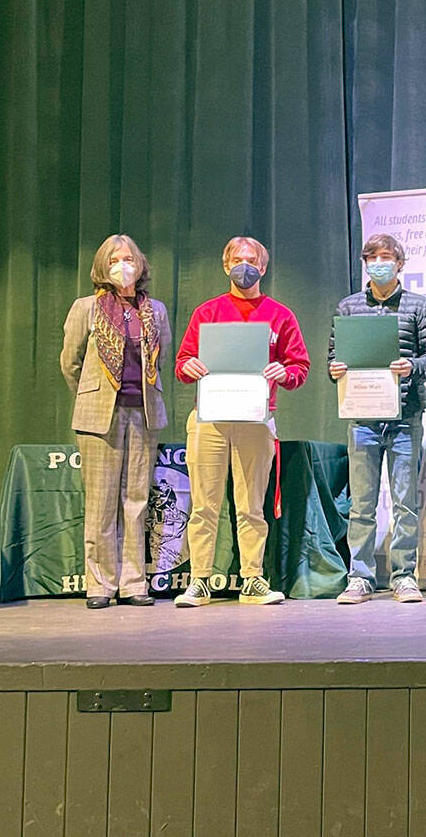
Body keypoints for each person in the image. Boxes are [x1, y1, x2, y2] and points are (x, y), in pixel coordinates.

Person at [172, 236, 310, 607]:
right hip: (210, 418)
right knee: (204, 505)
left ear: (263, 267)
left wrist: (285, 372)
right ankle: (199, 580)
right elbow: (182, 363)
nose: (243, 266)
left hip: (255, 418)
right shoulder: (207, 312)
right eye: (236, 260)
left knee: (251, 506)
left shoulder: (280, 315)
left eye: (251, 260)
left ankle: (252, 579)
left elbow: (300, 366)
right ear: (225, 266)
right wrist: (188, 366)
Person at [328, 234, 426, 604]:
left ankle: (403, 576)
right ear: (365, 264)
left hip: (405, 416)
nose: (379, 263)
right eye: (372, 257)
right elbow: (333, 359)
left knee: (405, 503)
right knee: (361, 504)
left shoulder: (419, 306)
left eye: (386, 257)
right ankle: (360, 577)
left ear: (400, 263)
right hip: (363, 418)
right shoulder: (348, 307)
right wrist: (335, 369)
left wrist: (411, 366)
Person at [60, 235, 172, 609]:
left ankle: (133, 582)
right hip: (99, 415)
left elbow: (161, 359)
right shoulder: (86, 308)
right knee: (101, 502)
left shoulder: (155, 310)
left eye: (129, 259)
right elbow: (70, 362)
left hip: (143, 412)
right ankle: (100, 584)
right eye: (114, 260)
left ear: (140, 266)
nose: (123, 265)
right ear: (103, 266)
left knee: (136, 501)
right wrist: (93, 395)